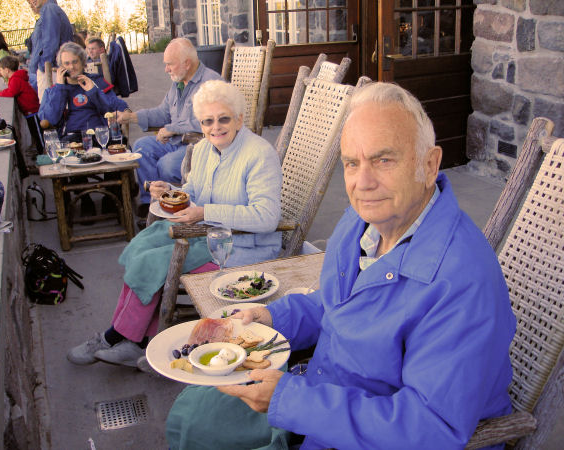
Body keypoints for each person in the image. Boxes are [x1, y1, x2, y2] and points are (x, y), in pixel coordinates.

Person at [164, 82, 517, 449]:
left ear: (429, 165)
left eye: (384, 159)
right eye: (352, 163)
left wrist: (293, 401)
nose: (363, 183)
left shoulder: (461, 280)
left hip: (365, 429)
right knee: (196, 414)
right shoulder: (361, 222)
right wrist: (271, 318)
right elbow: (335, 304)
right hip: (326, 388)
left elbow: (430, 427)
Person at [67, 80, 283, 368]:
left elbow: (267, 216)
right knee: (142, 246)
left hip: (241, 246)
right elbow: (193, 189)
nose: (215, 127)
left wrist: (205, 212)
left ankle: (122, 337)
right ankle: (131, 336)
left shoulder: (258, 154)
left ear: (240, 118)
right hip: (206, 233)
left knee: (157, 260)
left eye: (224, 119)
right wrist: (168, 191)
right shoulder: (206, 148)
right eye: (207, 121)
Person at [116, 37, 221, 218]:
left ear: (187, 63)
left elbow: (211, 121)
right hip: (176, 142)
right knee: (142, 147)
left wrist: (172, 129)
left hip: (201, 147)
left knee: (166, 164)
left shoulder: (211, 83)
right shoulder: (178, 83)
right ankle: (150, 202)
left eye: (169, 64)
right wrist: (131, 117)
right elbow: (163, 112)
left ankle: (171, 206)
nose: (166, 69)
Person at [38, 42, 129, 140]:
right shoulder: (53, 91)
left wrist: (93, 92)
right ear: (61, 67)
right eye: (67, 63)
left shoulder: (97, 82)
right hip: (70, 139)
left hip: (99, 135)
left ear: (83, 63)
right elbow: (51, 120)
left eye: (75, 62)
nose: (71, 67)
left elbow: (117, 107)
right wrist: (60, 88)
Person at [0, 56, 44, 155]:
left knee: (38, 134)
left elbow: (11, 92)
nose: (0, 72)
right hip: (30, 111)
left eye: (0, 70)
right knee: (35, 133)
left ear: (7, 70)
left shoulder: (15, 80)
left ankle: (44, 152)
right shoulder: (17, 78)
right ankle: (41, 152)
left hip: (33, 111)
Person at [28, 0, 74, 102]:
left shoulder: (49, 9)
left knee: (48, 112)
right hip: (51, 69)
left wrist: (42, 67)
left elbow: (50, 43)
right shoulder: (49, 10)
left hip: (50, 71)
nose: (30, 1)